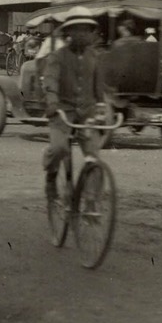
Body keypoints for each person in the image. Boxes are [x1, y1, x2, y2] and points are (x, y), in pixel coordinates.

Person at [41, 16, 107, 199]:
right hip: (62, 112)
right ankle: (51, 177)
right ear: (68, 32)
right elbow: (50, 80)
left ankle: (92, 201)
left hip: (87, 113)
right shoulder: (57, 56)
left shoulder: (94, 56)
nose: (81, 34)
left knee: (93, 155)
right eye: (77, 30)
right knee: (59, 148)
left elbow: (98, 85)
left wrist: (101, 106)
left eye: (86, 30)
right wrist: (52, 101)